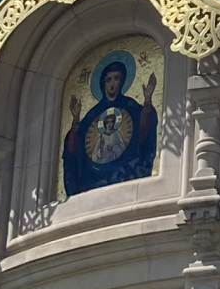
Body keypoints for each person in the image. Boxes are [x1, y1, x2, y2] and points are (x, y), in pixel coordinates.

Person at [62, 56, 159, 194]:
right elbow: (74, 148)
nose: (112, 83)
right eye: (109, 80)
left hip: (124, 170)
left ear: (122, 81)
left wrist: (148, 101)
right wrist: (76, 119)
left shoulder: (130, 105)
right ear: (103, 83)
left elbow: (143, 132)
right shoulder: (93, 114)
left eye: (116, 78)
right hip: (93, 176)